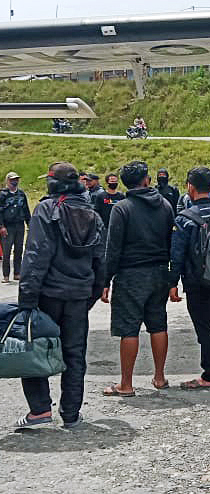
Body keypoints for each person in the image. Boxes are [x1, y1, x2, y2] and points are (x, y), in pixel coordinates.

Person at [14, 162, 105, 429]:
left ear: (53, 184)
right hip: (78, 295)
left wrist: (26, 298)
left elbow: (36, 255)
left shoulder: (46, 209)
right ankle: (71, 413)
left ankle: (40, 409)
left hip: (47, 294)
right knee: (75, 354)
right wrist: (93, 293)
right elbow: (101, 258)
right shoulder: (92, 214)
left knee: (32, 349)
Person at [101, 161, 174, 397]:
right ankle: (160, 377)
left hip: (131, 274)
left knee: (129, 329)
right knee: (158, 324)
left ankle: (126, 384)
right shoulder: (164, 205)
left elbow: (113, 249)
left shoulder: (121, 208)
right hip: (160, 271)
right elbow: (171, 241)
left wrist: (105, 280)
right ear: (147, 180)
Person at [168, 167, 210, 389]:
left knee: (204, 328)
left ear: (190, 187)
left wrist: (173, 283)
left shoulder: (185, 218)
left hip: (197, 282)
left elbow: (177, 254)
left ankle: (208, 374)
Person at [0, 172, 30, 282]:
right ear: (7, 181)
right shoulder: (3, 195)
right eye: (13, 179)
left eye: (17, 179)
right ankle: (6, 275)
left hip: (19, 225)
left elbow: (26, 210)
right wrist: (1, 226)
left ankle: (17, 273)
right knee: (7, 251)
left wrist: (29, 224)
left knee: (18, 250)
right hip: (7, 226)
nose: (15, 181)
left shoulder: (21, 194)